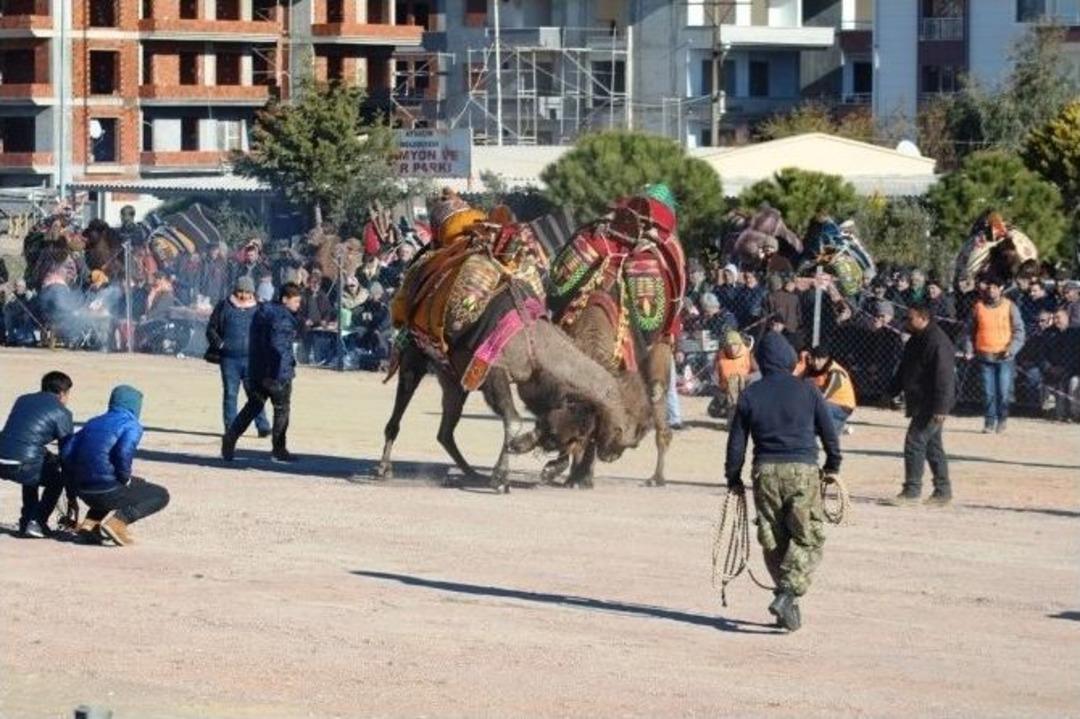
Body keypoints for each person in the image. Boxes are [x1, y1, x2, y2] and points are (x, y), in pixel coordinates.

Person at [724, 332, 842, 631]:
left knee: (773, 539)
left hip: (765, 472)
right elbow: (829, 433)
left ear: (761, 361)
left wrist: (733, 477)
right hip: (802, 470)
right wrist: (833, 464)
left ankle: (785, 598)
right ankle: (789, 593)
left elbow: (737, 441)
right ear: (790, 359)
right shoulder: (809, 390)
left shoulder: (751, 394)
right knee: (808, 538)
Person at [62, 385, 168, 546]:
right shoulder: (132, 425)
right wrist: (124, 478)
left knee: (132, 482)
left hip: (82, 489)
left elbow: (67, 452)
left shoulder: (93, 422)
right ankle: (118, 523)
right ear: (135, 405)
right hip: (105, 491)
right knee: (159, 494)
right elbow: (124, 453)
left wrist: (72, 489)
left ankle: (90, 525)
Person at [221, 282, 302, 463]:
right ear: (285, 300)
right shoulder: (282, 318)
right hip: (277, 373)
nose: (298, 305)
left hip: (256, 369)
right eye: (296, 302)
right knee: (281, 410)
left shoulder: (263, 312)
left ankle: (231, 436)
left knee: (253, 406)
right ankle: (279, 449)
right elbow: (278, 348)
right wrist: (275, 374)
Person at [889, 303, 956, 506]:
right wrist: (890, 392)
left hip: (931, 402)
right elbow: (904, 369)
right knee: (933, 447)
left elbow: (944, 377)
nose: (906, 323)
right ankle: (942, 492)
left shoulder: (937, 342)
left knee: (915, 441)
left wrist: (941, 407)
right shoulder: (916, 340)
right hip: (922, 400)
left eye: (910, 319)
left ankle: (912, 491)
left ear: (923, 318)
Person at [0, 371, 74, 537]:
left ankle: (27, 520)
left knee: (37, 465)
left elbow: (21, 435)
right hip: (23, 463)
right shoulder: (62, 413)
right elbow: (67, 451)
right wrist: (71, 489)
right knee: (56, 480)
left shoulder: (22, 399)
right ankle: (37, 521)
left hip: (2, 454)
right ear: (62, 393)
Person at [206, 276, 271, 437]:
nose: (243, 295)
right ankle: (231, 427)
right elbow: (211, 329)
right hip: (229, 360)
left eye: (247, 292)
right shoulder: (224, 306)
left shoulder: (260, 309)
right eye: (240, 291)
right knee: (230, 394)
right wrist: (220, 345)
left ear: (252, 293)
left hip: (252, 360)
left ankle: (262, 426)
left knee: (255, 394)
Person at [964, 276, 1025, 433]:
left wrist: (1012, 349)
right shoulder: (978, 307)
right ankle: (989, 422)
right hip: (985, 355)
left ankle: (1002, 419)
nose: (991, 290)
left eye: (994, 288)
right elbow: (969, 331)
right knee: (988, 391)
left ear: (1001, 289)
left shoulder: (1010, 306)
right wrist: (969, 349)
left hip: (1004, 357)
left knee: (1004, 391)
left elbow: (1019, 331)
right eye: (989, 288)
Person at [800, 345, 857, 435]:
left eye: (819, 359)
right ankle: (835, 427)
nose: (816, 362)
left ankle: (834, 427)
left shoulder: (836, 373)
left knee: (815, 409)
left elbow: (822, 397)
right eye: (814, 358)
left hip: (842, 407)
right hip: (828, 404)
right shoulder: (814, 368)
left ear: (826, 359)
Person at [713, 330, 755, 425]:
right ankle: (732, 417)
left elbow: (757, 373)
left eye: (735, 345)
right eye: (729, 345)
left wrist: (744, 379)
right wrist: (718, 389)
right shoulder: (720, 356)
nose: (732, 348)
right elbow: (715, 376)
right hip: (725, 389)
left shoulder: (747, 354)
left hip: (744, 386)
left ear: (740, 344)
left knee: (735, 381)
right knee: (713, 410)